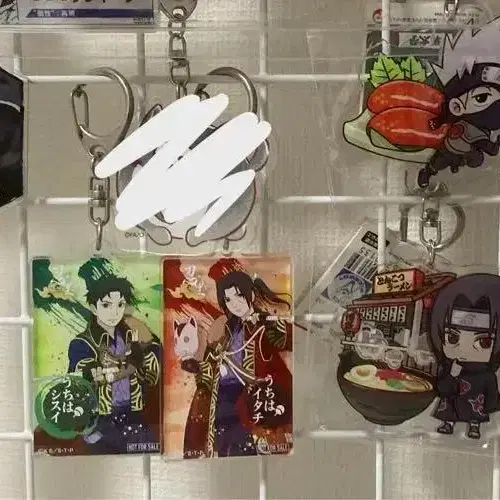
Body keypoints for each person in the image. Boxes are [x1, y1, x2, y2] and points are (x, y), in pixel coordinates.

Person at [180, 269, 293, 458]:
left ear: (251, 295)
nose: (235, 304)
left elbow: (286, 340)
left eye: (239, 296)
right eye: (228, 300)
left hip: (251, 396)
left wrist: (271, 323)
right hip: (223, 395)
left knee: (248, 446)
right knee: (224, 444)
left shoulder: (262, 324)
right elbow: (212, 364)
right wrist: (197, 368)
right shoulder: (226, 329)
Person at [68, 271, 161, 453]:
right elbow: (85, 377)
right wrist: (128, 366)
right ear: (94, 308)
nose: (114, 312)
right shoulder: (82, 343)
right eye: (106, 305)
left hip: (134, 413)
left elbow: (154, 362)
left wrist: (146, 342)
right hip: (101, 420)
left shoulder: (131, 334)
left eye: (120, 305)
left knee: (148, 452)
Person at [429, 274, 500, 439]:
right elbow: (442, 389)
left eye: (484, 342)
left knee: (475, 414)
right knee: (449, 410)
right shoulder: (449, 367)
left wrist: (493, 405)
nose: (464, 349)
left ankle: (474, 426)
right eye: (453, 338)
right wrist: (452, 376)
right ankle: (448, 423)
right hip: (451, 407)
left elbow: (491, 396)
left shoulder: (486, 374)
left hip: (474, 409)